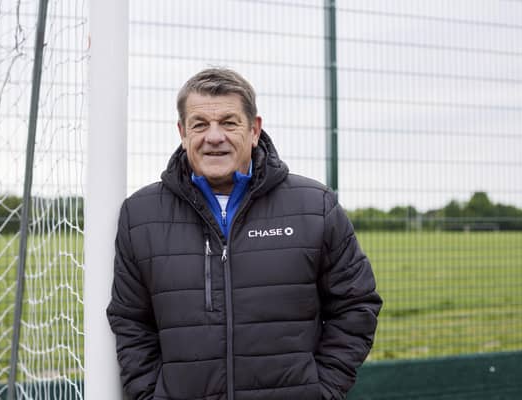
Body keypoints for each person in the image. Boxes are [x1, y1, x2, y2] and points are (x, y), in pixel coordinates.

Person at [107, 68, 382, 400]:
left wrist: (320, 390)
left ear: (254, 129)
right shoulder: (140, 215)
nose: (214, 136)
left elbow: (357, 304)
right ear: (182, 132)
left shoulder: (315, 206)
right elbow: (130, 321)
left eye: (229, 122)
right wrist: (150, 394)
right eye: (199, 124)